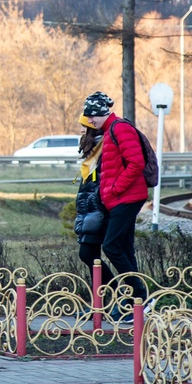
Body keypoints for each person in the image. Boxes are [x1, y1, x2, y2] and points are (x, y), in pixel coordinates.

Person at [81, 90, 148, 311]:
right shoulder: (110, 130)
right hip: (119, 199)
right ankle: (135, 303)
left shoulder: (119, 128)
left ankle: (139, 296)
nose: (89, 120)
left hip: (126, 197)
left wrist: (113, 189)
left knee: (111, 246)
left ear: (102, 112)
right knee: (125, 249)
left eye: (92, 115)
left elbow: (136, 163)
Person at [73, 115, 112, 291]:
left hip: (97, 211)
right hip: (91, 212)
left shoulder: (101, 149)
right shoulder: (94, 149)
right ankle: (101, 303)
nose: (81, 130)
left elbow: (99, 184)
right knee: (91, 257)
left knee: (88, 254)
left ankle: (118, 294)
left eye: (84, 126)